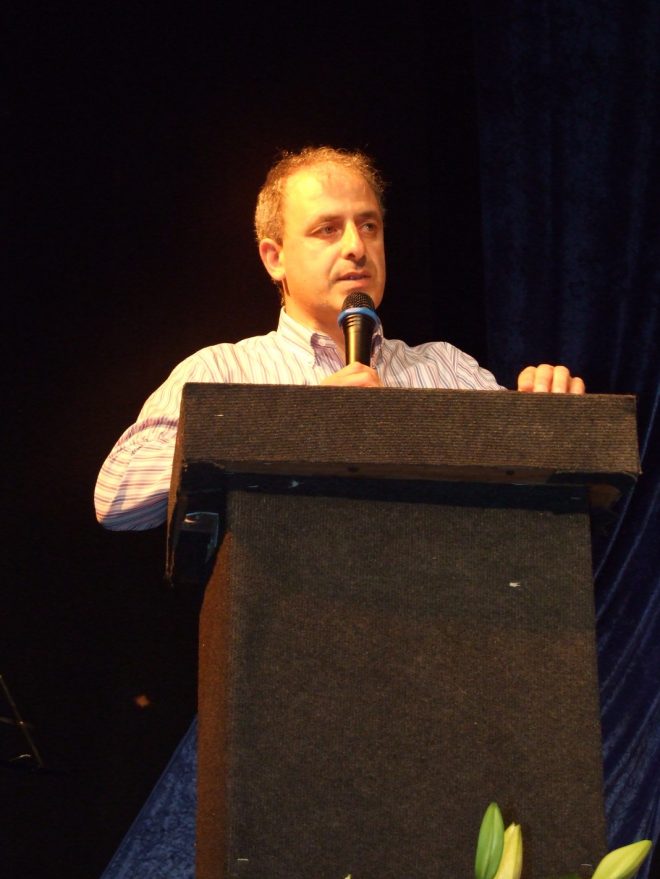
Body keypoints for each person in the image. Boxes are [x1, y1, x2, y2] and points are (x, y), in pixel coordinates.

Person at [95, 146, 585, 531]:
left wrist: (549, 422)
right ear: (274, 258)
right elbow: (115, 498)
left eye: (369, 226)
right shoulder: (221, 371)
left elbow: (539, 489)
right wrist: (296, 425)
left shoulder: (445, 368)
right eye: (327, 229)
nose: (356, 247)